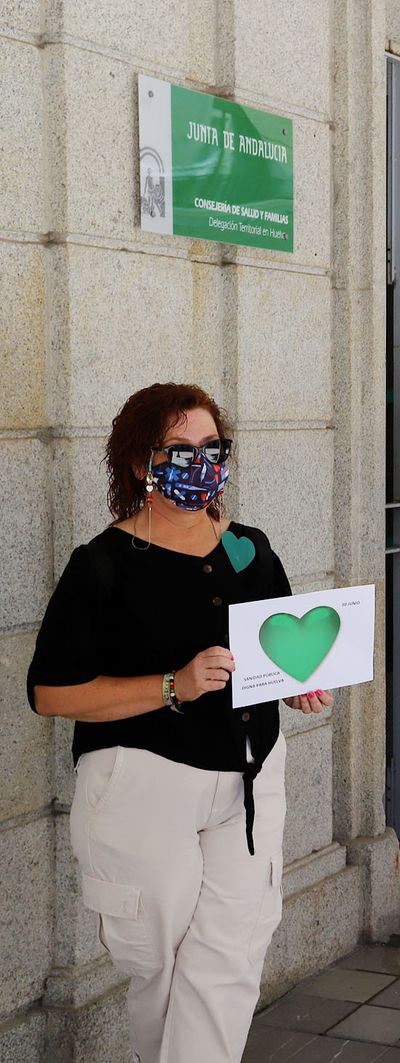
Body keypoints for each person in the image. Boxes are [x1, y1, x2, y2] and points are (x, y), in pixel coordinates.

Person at [27, 383, 331, 1063]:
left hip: (250, 777)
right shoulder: (101, 565)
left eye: (212, 448)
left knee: (230, 955)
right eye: (181, 450)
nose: (201, 462)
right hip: (142, 783)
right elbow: (50, 692)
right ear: (141, 462)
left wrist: (299, 686)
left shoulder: (249, 550)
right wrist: (174, 684)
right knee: (160, 965)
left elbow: (278, 652)